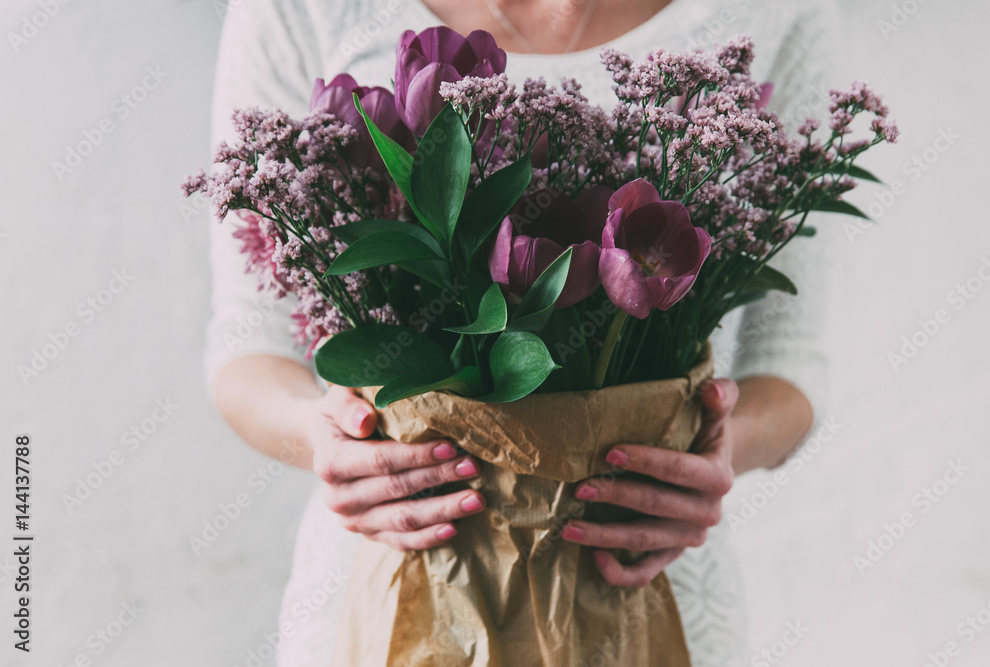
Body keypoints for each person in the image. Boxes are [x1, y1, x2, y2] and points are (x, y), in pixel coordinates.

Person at [206, 0, 836, 664]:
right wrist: (323, 436)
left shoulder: (774, 12)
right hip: (398, 588)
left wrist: (705, 459)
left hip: (639, 585)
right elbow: (248, 341)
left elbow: (795, 364)